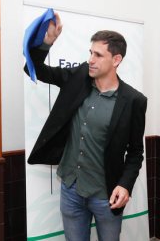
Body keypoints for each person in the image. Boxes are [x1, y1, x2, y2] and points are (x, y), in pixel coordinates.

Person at [25, 12, 147, 241]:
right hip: (70, 189)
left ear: (116, 60)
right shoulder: (78, 77)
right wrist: (46, 42)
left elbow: (135, 153)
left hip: (106, 195)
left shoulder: (133, 101)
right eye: (91, 52)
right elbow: (36, 69)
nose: (91, 59)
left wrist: (125, 185)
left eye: (98, 55)